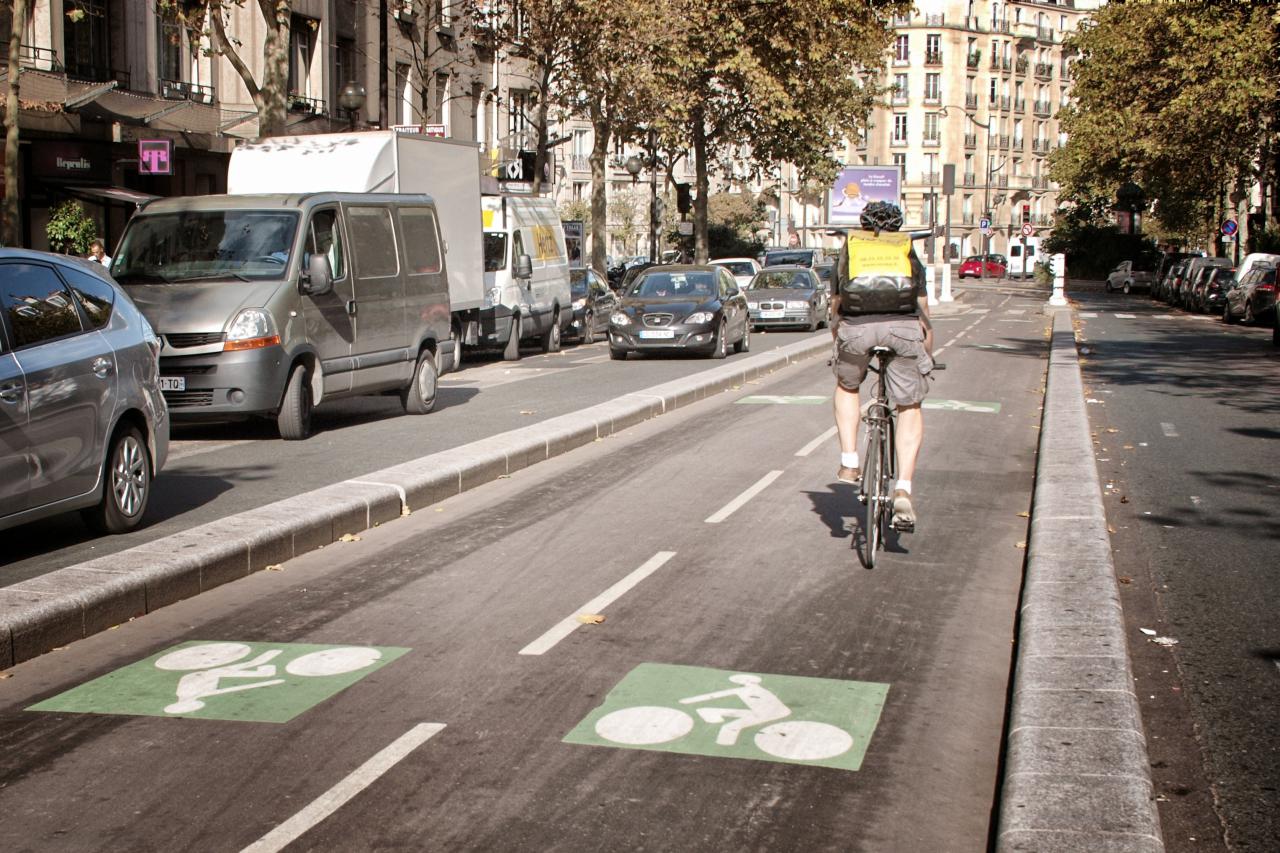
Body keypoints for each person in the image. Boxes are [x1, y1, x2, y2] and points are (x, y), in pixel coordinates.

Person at [829, 201, 933, 531]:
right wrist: (926, 356)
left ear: (862, 225)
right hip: (903, 328)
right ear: (898, 228)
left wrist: (839, 339)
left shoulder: (850, 250)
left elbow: (836, 307)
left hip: (856, 329)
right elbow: (923, 313)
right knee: (909, 404)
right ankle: (903, 486)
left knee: (847, 385)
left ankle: (849, 462)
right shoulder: (906, 253)